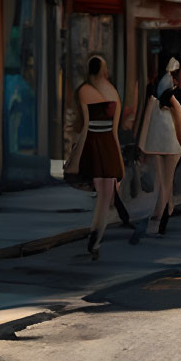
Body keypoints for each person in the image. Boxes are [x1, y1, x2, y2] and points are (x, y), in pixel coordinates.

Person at [69, 55, 125, 261]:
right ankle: (96, 235)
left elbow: (84, 126)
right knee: (105, 196)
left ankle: (96, 233)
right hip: (108, 143)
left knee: (100, 193)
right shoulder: (113, 92)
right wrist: (119, 158)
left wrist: (76, 153)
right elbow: (115, 131)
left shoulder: (83, 90)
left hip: (92, 142)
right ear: (104, 70)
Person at [133, 72, 181, 242]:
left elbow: (146, 125)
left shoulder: (152, 102)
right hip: (172, 146)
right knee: (166, 182)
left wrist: (141, 148)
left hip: (157, 145)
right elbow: (180, 129)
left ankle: (164, 212)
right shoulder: (175, 103)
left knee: (162, 182)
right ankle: (160, 217)